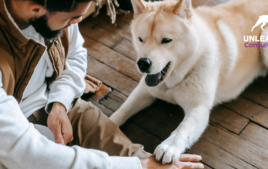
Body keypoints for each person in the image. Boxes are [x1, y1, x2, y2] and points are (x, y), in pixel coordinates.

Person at [0, 0, 204, 168]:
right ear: (35, 9)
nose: (76, 22)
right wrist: (137, 167)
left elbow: (76, 55)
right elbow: (26, 151)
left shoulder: (60, 8)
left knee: (131, 152)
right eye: (72, 18)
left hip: (56, 102)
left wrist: (60, 103)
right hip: (12, 134)